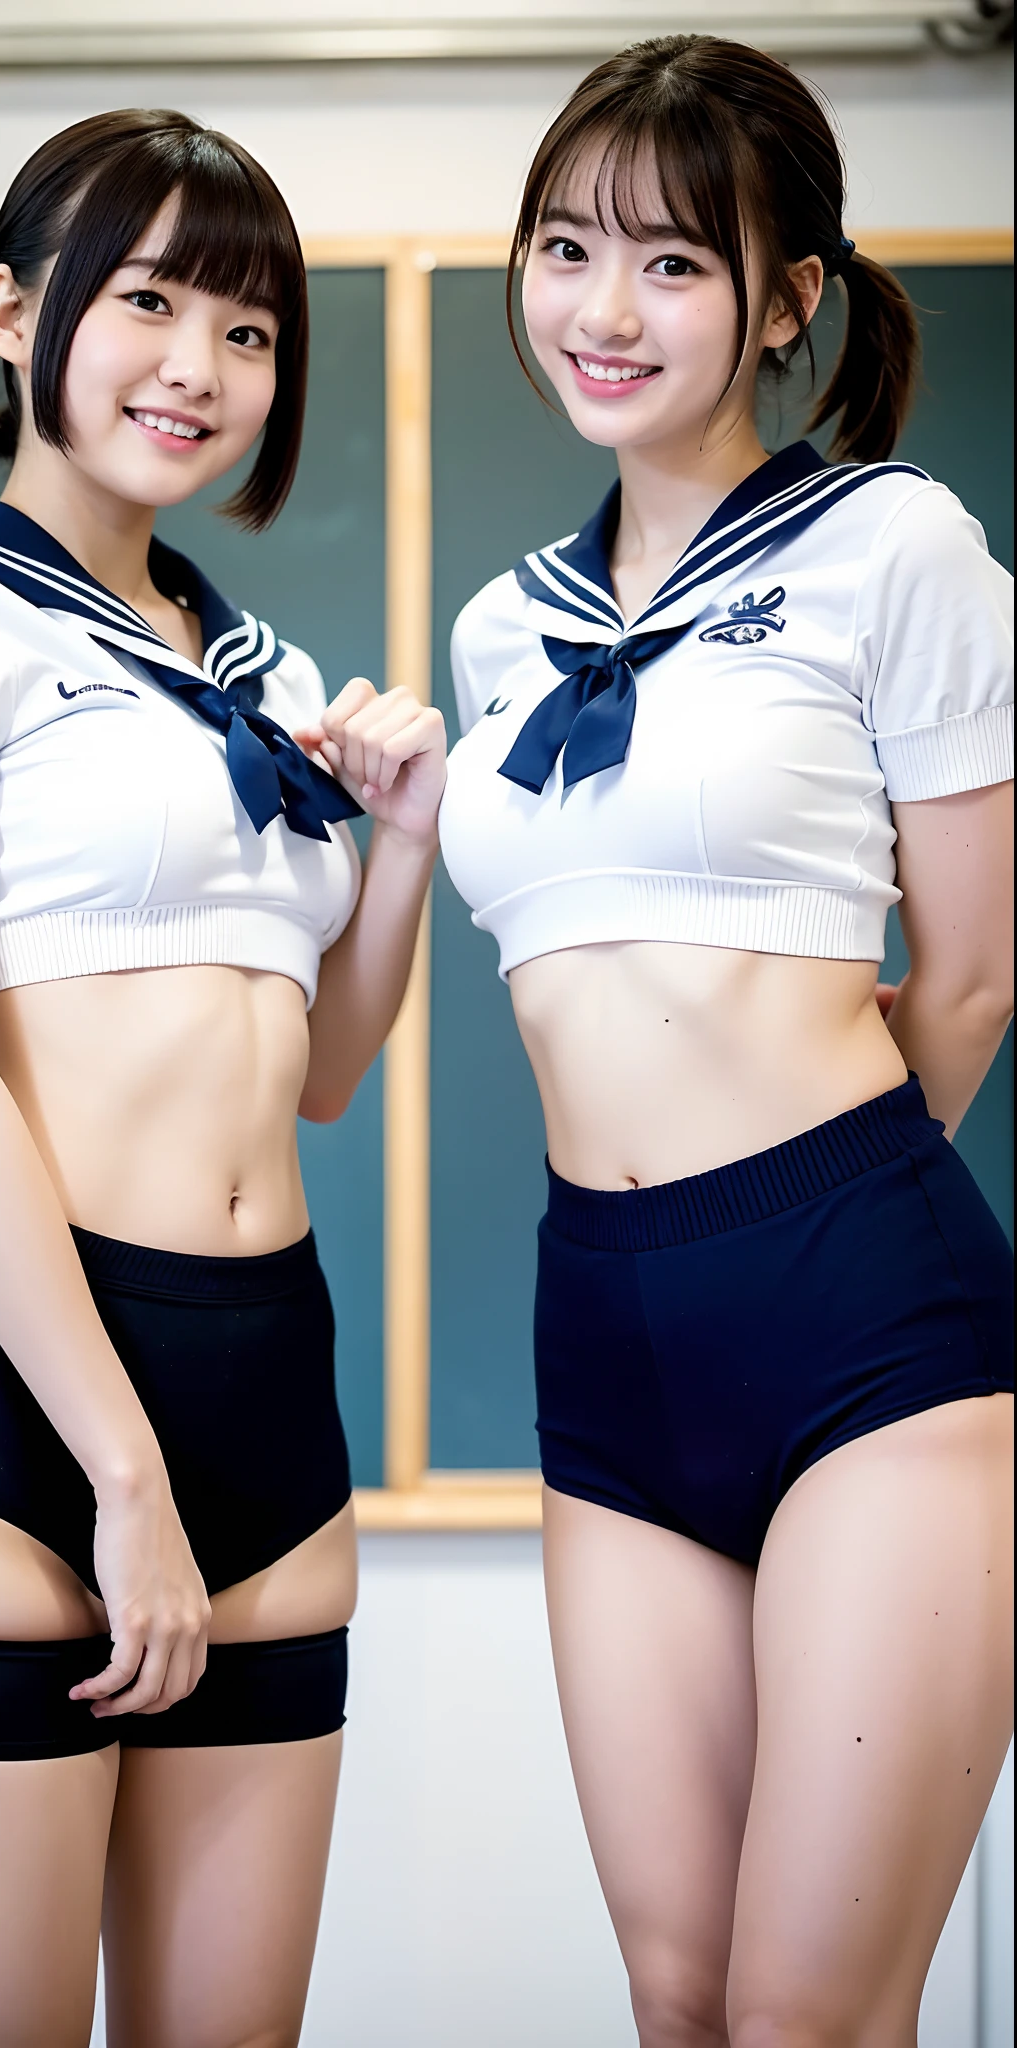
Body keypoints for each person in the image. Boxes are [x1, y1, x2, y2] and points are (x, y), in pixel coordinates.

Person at [0, 109, 445, 2048]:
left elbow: (318, 1073)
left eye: (246, 328)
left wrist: (394, 840)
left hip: (268, 1414)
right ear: (10, 308)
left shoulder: (254, 663)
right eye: (147, 301)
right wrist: (120, 1475)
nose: (199, 368)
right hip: (8, 1433)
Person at [438, 37, 1013, 2045]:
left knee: (802, 2016)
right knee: (674, 1997)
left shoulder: (892, 548)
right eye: (565, 247)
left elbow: (964, 973)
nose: (602, 310)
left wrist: (815, 1214)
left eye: (673, 264)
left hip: (855, 1308)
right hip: (598, 1326)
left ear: (785, 299)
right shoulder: (498, 627)